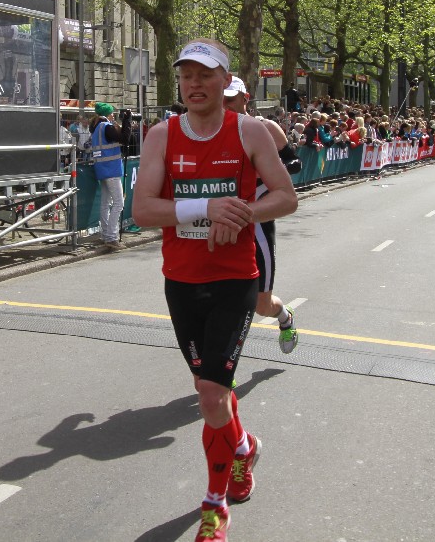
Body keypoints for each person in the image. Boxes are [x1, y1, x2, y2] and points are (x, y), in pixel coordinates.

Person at [132, 39, 297, 542]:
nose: (195, 84)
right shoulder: (161, 136)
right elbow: (142, 211)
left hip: (233, 279)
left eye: (205, 75)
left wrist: (243, 212)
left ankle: (214, 504)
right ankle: (244, 448)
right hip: (182, 282)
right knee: (213, 391)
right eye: (186, 76)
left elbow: (286, 197)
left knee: (209, 394)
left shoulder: (249, 131)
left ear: (226, 82)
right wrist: (206, 208)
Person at [223, 76, 301, 353]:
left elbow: (294, 161)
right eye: (221, 99)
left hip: (257, 222)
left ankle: (284, 316)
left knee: (262, 305)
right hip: (224, 220)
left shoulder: (265, 127)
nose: (225, 105)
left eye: (230, 99)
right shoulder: (212, 132)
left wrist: (272, 171)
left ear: (245, 98)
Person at [89, 102, 133, 253]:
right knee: (119, 203)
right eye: (112, 113)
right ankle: (112, 237)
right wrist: (127, 121)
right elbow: (125, 139)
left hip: (102, 169)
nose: (113, 115)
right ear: (107, 114)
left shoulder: (96, 128)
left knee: (105, 203)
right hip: (111, 169)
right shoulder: (106, 127)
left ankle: (105, 234)